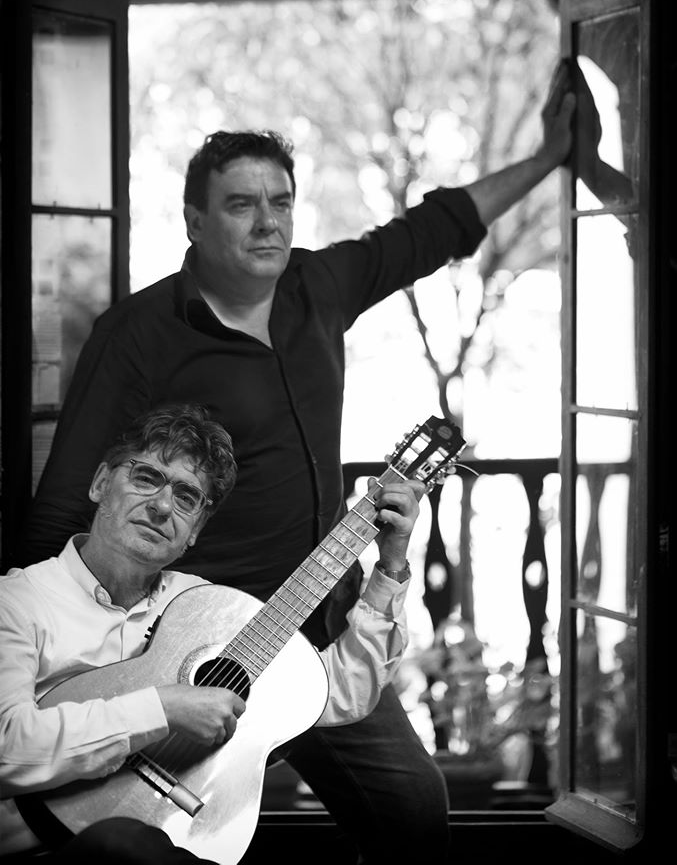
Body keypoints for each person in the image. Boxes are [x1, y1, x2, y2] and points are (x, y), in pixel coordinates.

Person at [22, 60, 576, 863]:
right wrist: (54, 670)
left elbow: (433, 230)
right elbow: (62, 505)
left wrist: (549, 155)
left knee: (414, 811)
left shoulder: (319, 284)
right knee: (170, 842)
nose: (267, 224)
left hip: (317, 629)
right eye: (241, 205)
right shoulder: (138, 335)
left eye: (280, 202)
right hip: (191, 646)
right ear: (194, 221)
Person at [1, 403, 423, 864]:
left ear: (195, 531)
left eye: (186, 498)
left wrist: (390, 565)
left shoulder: (202, 606)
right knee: (121, 846)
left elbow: (338, 691)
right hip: (41, 849)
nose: (163, 506)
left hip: (177, 841)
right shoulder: (16, 601)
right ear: (101, 483)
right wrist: (165, 709)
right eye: (146, 477)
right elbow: (6, 747)